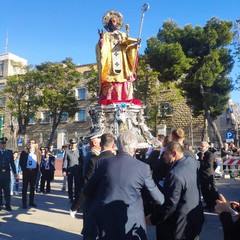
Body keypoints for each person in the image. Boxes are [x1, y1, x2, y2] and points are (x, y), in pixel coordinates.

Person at [83, 130, 164, 240]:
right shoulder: (143, 168)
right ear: (135, 149)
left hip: (105, 222)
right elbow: (158, 199)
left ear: (117, 146)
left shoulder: (104, 163)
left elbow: (88, 190)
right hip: (131, 224)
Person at [146, 142, 204, 240]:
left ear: (174, 153)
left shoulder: (174, 175)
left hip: (180, 227)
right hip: (195, 220)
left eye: (165, 154)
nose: (163, 156)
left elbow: (170, 205)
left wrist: (153, 219)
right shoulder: (192, 162)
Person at [96, 10, 140, 103]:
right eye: (111, 21)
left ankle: (122, 98)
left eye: (115, 21)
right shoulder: (107, 35)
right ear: (108, 23)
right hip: (110, 61)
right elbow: (101, 48)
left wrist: (135, 45)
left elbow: (128, 47)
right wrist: (101, 38)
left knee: (122, 79)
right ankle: (109, 98)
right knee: (110, 79)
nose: (113, 23)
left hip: (122, 61)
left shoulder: (123, 34)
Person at [19, 139, 41, 209]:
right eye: (30, 143)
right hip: (26, 172)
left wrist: (37, 170)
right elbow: (21, 162)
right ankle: (24, 203)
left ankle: (31, 201)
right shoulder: (24, 152)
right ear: (28, 144)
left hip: (34, 172)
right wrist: (24, 170)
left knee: (32, 187)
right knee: (24, 188)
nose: (31, 144)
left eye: (33, 143)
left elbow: (39, 161)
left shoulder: (38, 152)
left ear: (35, 144)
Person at [197, 141, 219, 211]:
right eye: (201, 146)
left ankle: (212, 206)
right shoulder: (200, 154)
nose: (201, 147)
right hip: (202, 176)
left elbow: (209, 164)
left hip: (208, 175)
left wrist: (199, 163)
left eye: (202, 146)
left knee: (210, 191)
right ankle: (208, 204)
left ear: (206, 147)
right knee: (204, 191)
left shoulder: (210, 154)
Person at [62, 138, 82, 203]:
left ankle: (76, 196)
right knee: (70, 184)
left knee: (77, 184)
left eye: (74, 143)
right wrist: (64, 170)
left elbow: (81, 161)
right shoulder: (67, 151)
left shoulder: (79, 151)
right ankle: (70, 196)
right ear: (70, 144)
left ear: (76, 144)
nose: (73, 145)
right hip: (70, 170)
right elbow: (65, 161)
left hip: (77, 170)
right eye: (72, 143)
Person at [0, 137, 17, 211]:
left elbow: (12, 164)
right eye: (2, 143)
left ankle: (8, 204)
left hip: (6, 174)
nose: (4, 145)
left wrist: (15, 173)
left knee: (7, 190)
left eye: (4, 143)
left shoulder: (9, 152)